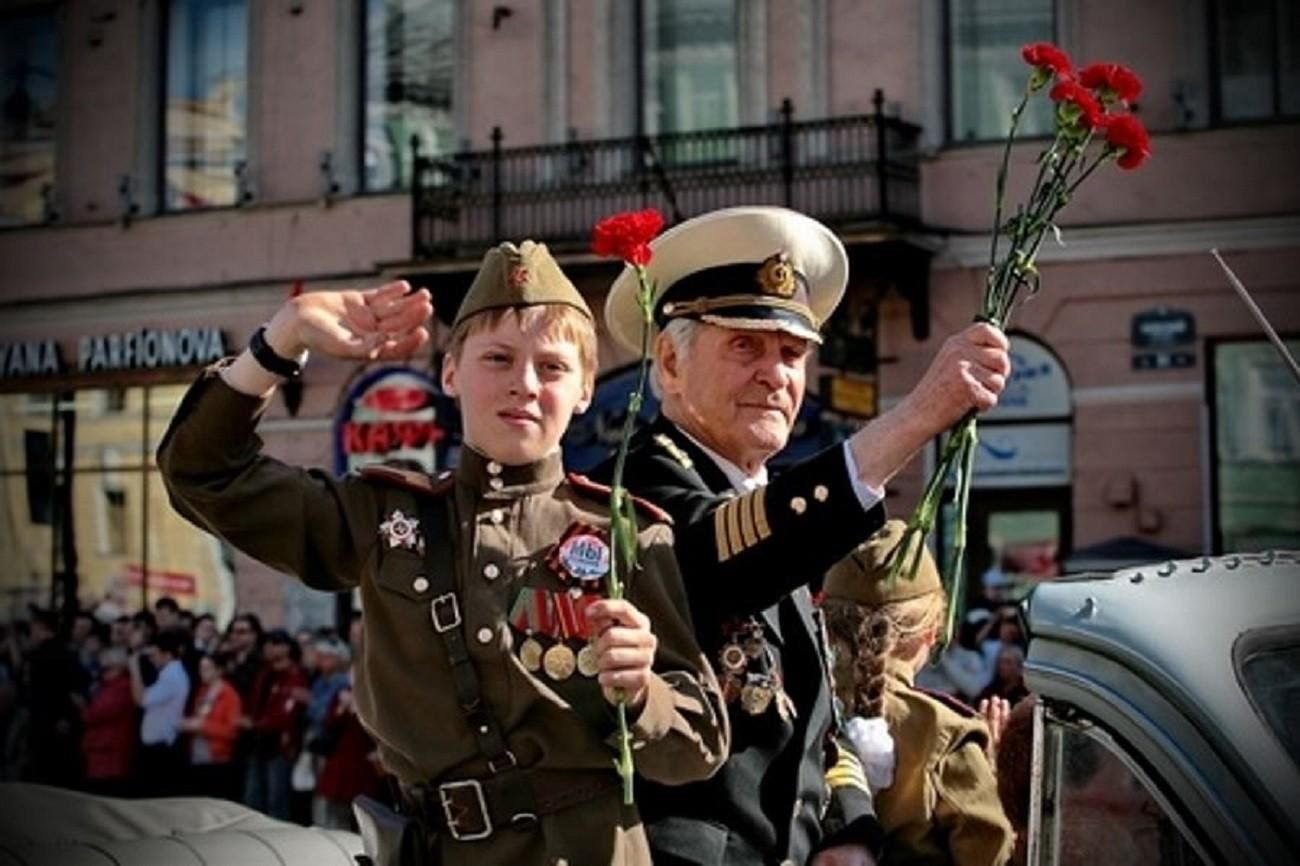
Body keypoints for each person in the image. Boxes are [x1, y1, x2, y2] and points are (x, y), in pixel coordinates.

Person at [156, 240, 728, 866]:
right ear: (451, 373)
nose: (525, 385)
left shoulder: (630, 535)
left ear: (587, 389)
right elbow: (202, 474)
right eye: (499, 359)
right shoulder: (382, 516)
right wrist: (282, 340)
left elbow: (698, 748)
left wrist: (643, 692)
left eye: (554, 367)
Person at [594, 206, 1011, 865]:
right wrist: (917, 417)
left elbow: (816, 727)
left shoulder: (762, 502)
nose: (776, 373)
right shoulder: (633, 490)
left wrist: (849, 832)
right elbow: (725, 552)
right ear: (670, 362)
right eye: (744, 346)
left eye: (792, 353)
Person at [821, 520, 1014, 865]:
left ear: (829, 627)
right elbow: (989, 853)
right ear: (931, 631)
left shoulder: (793, 709)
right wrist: (995, 777)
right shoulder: (946, 730)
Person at [241, 629, 308, 820]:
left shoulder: (295, 675)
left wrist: (255, 724)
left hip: (279, 745)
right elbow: (255, 702)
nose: (271, 648)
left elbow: (286, 714)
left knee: (276, 800)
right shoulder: (265, 673)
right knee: (253, 797)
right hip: (258, 742)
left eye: (277, 643)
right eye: (269, 644)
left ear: (287, 647)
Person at [129, 626, 191, 796]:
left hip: (161, 751)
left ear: (168, 654)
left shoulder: (172, 676)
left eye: (154, 655)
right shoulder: (169, 674)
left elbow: (140, 699)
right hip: (156, 749)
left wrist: (134, 667)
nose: (151, 660)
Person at [180, 652, 244, 800]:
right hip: (197, 756)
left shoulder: (230, 695)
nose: (202, 672)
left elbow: (232, 731)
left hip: (217, 760)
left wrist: (202, 726)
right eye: (201, 668)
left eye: (207, 668)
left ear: (219, 670)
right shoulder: (202, 692)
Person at [79, 646, 137, 798]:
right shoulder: (108, 687)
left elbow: (96, 714)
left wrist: (82, 707)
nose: (103, 671)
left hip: (109, 754)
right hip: (100, 752)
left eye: (107, 667)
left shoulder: (121, 687)